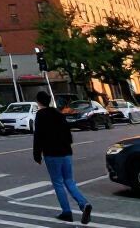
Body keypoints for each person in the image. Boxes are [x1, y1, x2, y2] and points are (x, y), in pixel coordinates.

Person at [33, 91, 92, 224]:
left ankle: (66, 211)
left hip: (52, 153)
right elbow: (68, 133)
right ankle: (84, 204)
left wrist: (37, 155)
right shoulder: (59, 115)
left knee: (58, 183)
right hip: (65, 152)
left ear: (39, 101)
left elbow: (38, 136)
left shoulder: (41, 115)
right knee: (69, 181)